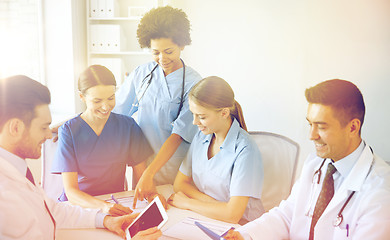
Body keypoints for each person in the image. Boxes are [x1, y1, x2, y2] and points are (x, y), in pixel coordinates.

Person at [0, 75, 162, 240]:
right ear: (15, 127)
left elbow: (53, 210)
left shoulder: (17, 171)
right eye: (43, 128)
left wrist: (105, 221)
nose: (49, 135)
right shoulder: (6, 195)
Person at [225, 79, 390, 240]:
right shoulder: (315, 164)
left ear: (353, 127)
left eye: (322, 127)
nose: (312, 136)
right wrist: (244, 235)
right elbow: (287, 215)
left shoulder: (380, 192)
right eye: (310, 124)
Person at [113, 6, 202, 207]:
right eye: (155, 52)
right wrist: (74, 122)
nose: (162, 58)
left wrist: (149, 174)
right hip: (141, 166)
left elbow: (178, 134)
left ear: (182, 45)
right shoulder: (142, 73)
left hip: (174, 170)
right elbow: (116, 110)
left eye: (168, 51)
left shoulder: (195, 84)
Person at [51, 65, 154, 215]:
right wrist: (103, 206)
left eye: (111, 98)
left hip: (116, 202)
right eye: (97, 101)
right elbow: (71, 191)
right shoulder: (69, 131)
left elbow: (141, 179)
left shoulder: (128, 126)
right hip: (79, 207)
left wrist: (148, 199)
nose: (106, 106)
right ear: (82, 97)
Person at [167, 76, 265, 224]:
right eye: (193, 114)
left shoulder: (246, 149)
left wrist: (188, 203)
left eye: (202, 117)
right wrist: (216, 206)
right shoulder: (201, 136)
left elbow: (232, 215)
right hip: (209, 217)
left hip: (242, 226)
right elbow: (180, 184)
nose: (195, 122)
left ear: (224, 113)